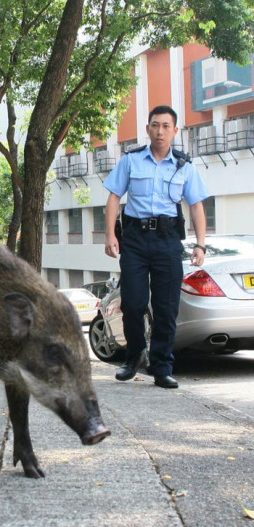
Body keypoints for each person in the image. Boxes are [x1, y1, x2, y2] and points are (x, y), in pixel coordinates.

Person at [103, 105, 209, 389]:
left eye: (165, 126)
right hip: (135, 240)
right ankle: (134, 354)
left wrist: (201, 243)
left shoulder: (185, 166)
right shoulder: (132, 161)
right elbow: (114, 197)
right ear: (148, 129)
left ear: (175, 130)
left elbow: (196, 206)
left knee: (166, 308)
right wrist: (109, 235)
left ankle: (162, 367)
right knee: (134, 303)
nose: (159, 131)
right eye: (154, 125)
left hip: (167, 241)